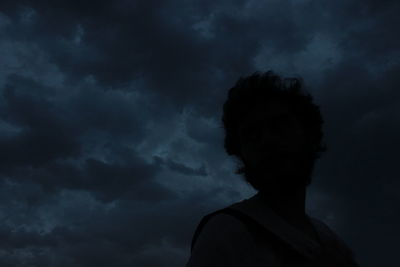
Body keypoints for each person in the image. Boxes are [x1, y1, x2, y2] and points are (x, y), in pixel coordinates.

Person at [186, 71, 359, 266]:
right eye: (252, 134)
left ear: (309, 135)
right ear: (241, 152)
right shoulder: (227, 233)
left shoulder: (332, 243)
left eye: (280, 126)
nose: (267, 140)